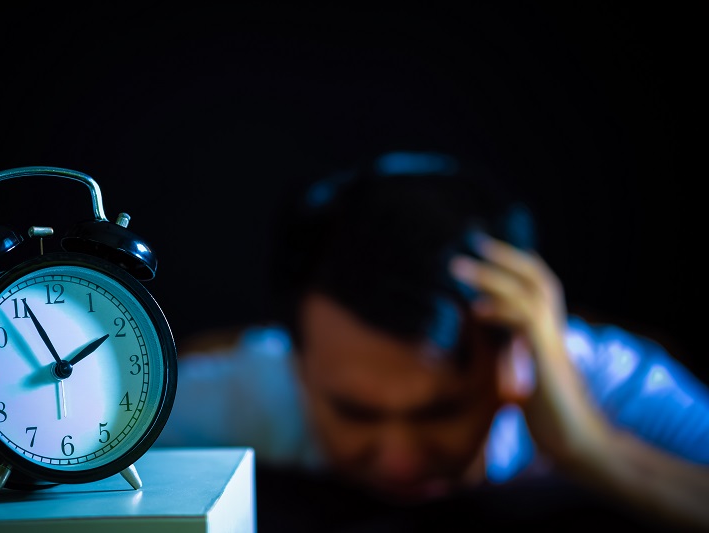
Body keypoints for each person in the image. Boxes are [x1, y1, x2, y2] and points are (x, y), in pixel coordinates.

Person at [155, 151, 709, 530]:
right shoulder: (253, 387)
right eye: (353, 412)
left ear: (516, 356)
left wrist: (592, 447)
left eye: (442, 410)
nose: (400, 462)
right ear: (296, 359)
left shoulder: (604, 380)